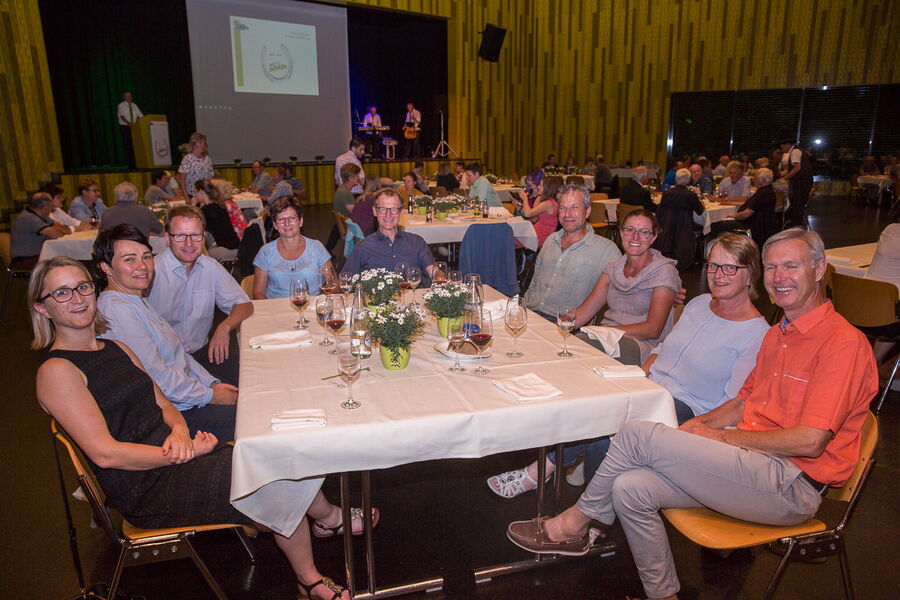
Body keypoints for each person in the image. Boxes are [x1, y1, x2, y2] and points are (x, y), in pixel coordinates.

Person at [507, 228, 878, 600]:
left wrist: (718, 436)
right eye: (772, 267)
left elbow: (811, 441)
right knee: (629, 488)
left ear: (819, 269)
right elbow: (742, 402)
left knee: (636, 433)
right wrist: (696, 427)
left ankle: (573, 525)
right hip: (751, 465)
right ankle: (663, 594)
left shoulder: (841, 343)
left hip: (791, 485)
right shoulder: (779, 334)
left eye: (791, 266)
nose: (779, 277)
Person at [30, 256, 358, 600]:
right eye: (62, 293)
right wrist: (180, 453)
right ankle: (310, 579)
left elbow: (164, 405)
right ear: (42, 308)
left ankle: (320, 534)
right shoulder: (57, 371)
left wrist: (179, 433)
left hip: (176, 455)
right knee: (274, 477)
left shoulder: (116, 347)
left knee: (276, 454)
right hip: (145, 486)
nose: (78, 298)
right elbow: (105, 454)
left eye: (82, 287)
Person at [489, 233, 769, 498]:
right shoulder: (699, 304)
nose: (718, 275)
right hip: (651, 385)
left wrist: (694, 428)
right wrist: (640, 374)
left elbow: (734, 402)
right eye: (714, 266)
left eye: (730, 268)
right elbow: (664, 347)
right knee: (588, 396)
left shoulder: (756, 334)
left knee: (605, 431)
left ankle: (547, 478)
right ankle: (576, 489)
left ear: (751, 275)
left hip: (687, 407)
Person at [94, 225, 239, 442]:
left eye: (146, 257)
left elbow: (179, 354)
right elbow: (156, 378)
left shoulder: (135, 298)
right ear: (106, 267)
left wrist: (212, 384)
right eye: (129, 259)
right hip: (169, 417)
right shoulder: (116, 310)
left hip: (185, 397)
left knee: (253, 392)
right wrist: (210, 396)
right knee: (258, 416)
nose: (142, 266)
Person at [148, 204, 252, 386]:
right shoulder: (150, 273)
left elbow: (244, 304)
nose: (189, 244)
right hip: (164, 363)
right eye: (180, 236)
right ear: (167, 238)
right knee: (228, 397)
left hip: (203, 354)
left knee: (254, 377)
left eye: (195, 235)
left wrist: (225, 326)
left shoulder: (210, 267)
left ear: (203, 237)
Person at [571, 210, 680, 365]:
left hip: (643, 345)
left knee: (582, 345)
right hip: (605, 338)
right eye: (630, 230)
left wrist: (608, 333)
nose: (635, 237)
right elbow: (583, 313)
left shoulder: (664, 272)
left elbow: (653, 329)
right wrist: (552, 328)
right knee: (573, 344)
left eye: (644, 232)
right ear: (621, 233)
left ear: (653, 237)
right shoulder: (613, 269)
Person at [524, 184, 622, 320]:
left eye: (574, 207)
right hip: (530, 314)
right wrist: (523, 308)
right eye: (563, 208)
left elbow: (619, 299)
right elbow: (535, 283)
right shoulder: (551, 240)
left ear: (587, 211)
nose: (567, 214)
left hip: (565, 323)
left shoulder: (607, 251)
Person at [341, 188, 437, 284]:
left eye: (394, 209)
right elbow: (344, 281)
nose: (388, 215)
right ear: (375, 211)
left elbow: (434, 272)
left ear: (401, 212)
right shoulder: (363, 247)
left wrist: (439, 277)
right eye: (383, 209)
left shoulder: (416, 242)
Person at [253, 197, 332, 299]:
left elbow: (332, 284)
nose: (287, 223)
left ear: (301, 221)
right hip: (276, 307)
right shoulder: (266, 252)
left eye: (292, 218)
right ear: (275, 225)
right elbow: (258, 292)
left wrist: (319, 303)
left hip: (312, 306)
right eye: (281, 219)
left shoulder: (316, 248)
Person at [710, 167, 777, 249]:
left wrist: (733, 216)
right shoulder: (768, 191)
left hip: (752, 226)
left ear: (761, 181)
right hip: (762, 225)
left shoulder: (762, 194)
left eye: (755, 178)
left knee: (716, 225)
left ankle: (718, 248)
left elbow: (747, 213)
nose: (753, 180)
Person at [654, 168, 705, 271]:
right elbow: (700, 211)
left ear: (676, 180)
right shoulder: (690, 195)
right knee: (704, 228)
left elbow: (661, 211)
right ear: (688, 180)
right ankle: (699, 255)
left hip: (668, 226)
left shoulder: (667, 193)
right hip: (685, 226)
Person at [11, 192, 70, 269]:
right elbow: (57, 235)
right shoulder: (29, 218)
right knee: (64, 263)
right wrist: (56, 230)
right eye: (51, 206)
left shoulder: (40, 215)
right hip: (25, 261)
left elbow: (67, 230)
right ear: (45, 207)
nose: (52, 210)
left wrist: (56, 230)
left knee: (65, 260)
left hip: (37, 256)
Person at [193, 180, 241, 260]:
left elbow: (194, 227)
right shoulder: (219, 206)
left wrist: (193, 206)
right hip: (235, 247)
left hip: (225, 250)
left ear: (201, 192)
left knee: (195, 255)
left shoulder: (206, 211)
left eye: (195, 192)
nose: (194, 195)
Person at [777, 129, 814, 229]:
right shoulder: (796, 150)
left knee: (797, 206)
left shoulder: (795, 151)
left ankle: (795, 228)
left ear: (787, 144)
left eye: (782, 145)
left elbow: (797, 168)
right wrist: (780, 174)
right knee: (796, 206)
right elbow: (791, 168)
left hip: (801, 183)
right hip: (802, 182)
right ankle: (794, 226)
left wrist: (784, 178)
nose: (781, 148)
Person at [99, 182, 164, 238]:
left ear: (115, 197)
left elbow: (101, 235)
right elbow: (162, 232)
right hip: (138, 247)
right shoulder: (144, 211)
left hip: (113, 248)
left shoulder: (107, 212)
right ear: (136, 197)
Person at [514, 175, 561, 247]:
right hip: (540, 232)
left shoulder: (548, 203)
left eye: (541, 185)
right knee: (513, 234)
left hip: (542, 235)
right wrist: (520, 207)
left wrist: (524, 198)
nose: (538, 187)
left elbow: (528, 214)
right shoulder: (550, 202)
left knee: (511, 236)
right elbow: (533, 216)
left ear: (547, 188)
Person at [176, 133, 214, 201]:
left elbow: (211, 177)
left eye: (204, 142)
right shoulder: (188, 158)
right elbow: (181, 179)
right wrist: (186, 196)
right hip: (192, 194)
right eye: (200, 142)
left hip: (205, 194)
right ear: (194, 144)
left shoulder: (207, 159)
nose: (203, 144)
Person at [117, 91, 143, 168]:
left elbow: (141, 115)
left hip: (135, 127)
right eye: (127, 96)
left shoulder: (134, 105)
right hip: (125, 127)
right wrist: (129, 123)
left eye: (130, 96)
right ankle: (130, 165)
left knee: (135, 145)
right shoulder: (121, 105)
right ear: (124, 97)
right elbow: (121, 116)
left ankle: (137, 163)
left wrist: (144, 121)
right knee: (128, 146)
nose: (130, 97)